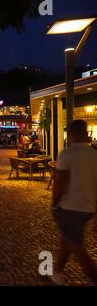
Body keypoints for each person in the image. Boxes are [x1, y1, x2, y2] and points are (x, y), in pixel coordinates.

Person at [50, 120, 97, 285]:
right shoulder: (94, 154)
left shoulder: (66, 154)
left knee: (75, 245)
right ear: (86, 134)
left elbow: (60, 181)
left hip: (70, 207)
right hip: (88, 207)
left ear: (70, 134)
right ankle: (56, 272)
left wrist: (54, 203)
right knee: (67, 239)